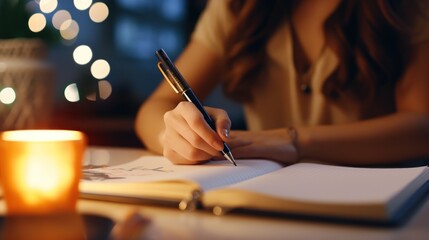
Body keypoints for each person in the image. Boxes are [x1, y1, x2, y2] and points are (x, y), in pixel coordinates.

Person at [135, 0, 429, 166]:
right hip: (263, 200)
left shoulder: (404, 8)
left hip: (380, 205)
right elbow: (153, 109)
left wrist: (293, 141)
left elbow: (421, 126)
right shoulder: (235, 8)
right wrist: (172, 136)